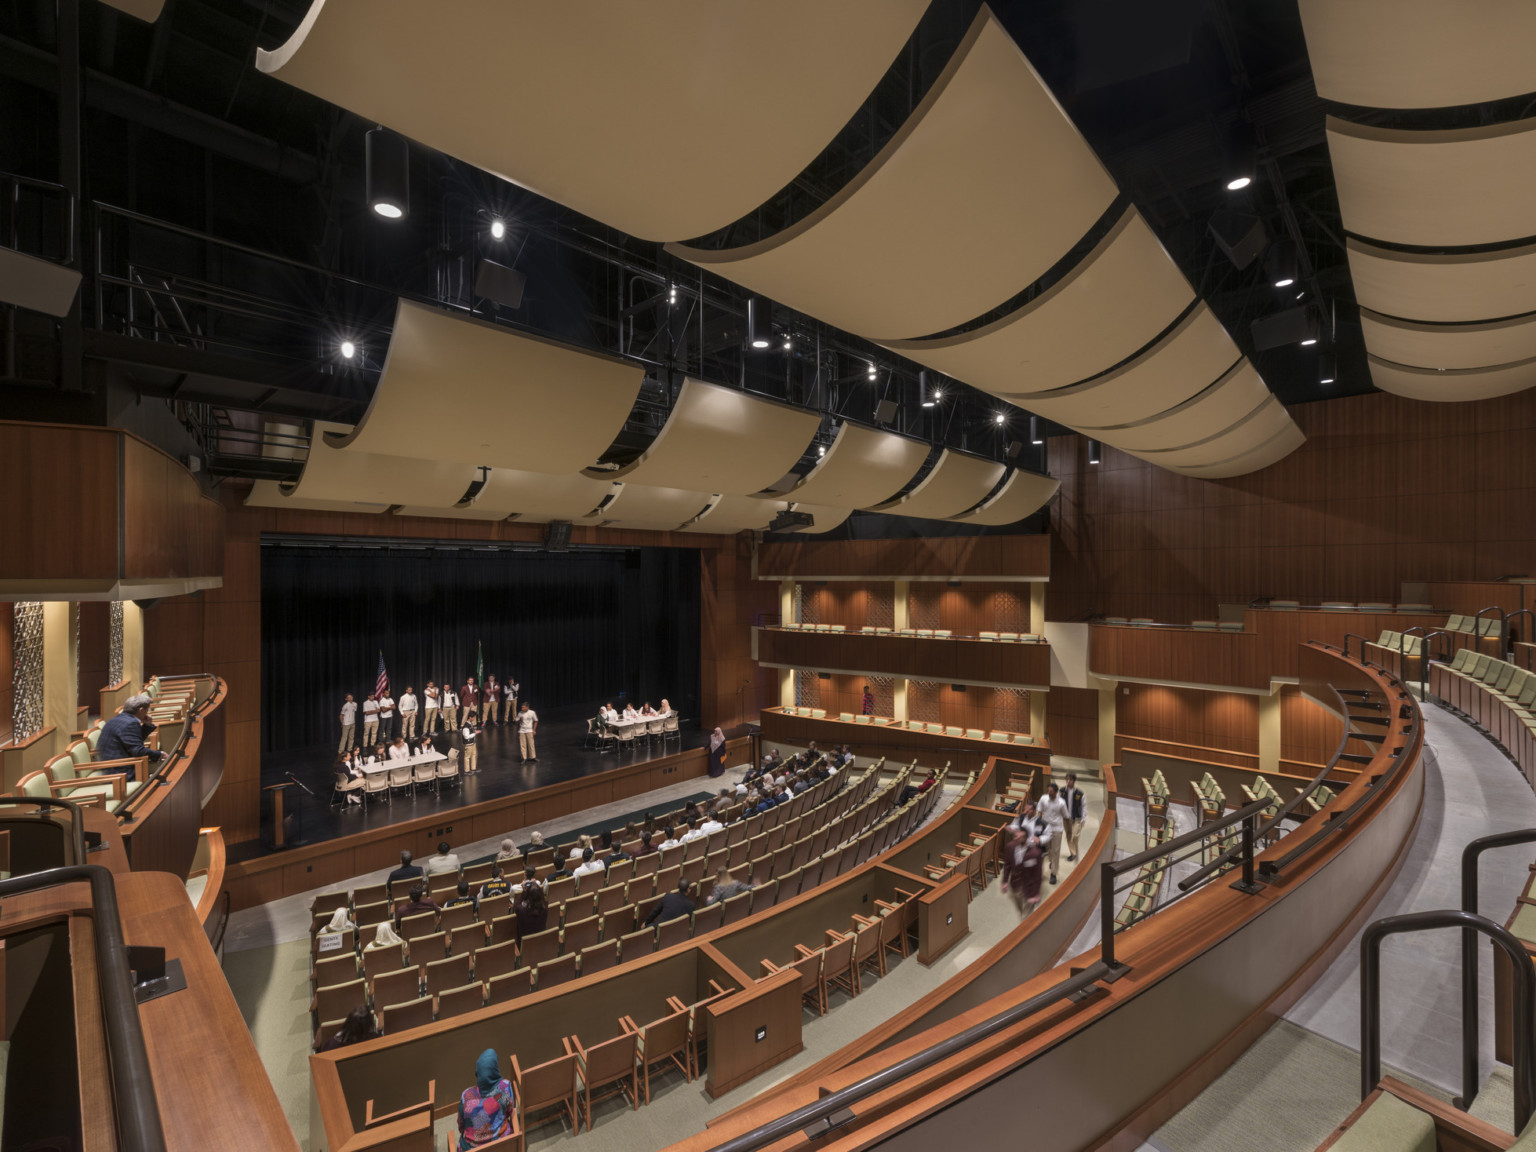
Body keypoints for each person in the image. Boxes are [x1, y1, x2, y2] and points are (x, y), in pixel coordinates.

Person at [456, 1048, 516, 1149]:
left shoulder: (466, 1097)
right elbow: (509, 1112)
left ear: (477, 1073)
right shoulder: (505, 1087)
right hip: (502, 1146)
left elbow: (461, 1126)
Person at [97, 695, 166, 777]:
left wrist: (147, 725)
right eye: (147, 710)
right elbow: (138, 751)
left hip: (111, 764)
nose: (147, 713)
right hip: (120, 770)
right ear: (141, 710)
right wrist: (160, 754)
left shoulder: (119, 719)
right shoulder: (131, 723)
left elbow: (133, 742)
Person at [1001, 827, 1043, 916]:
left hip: (1029, 887)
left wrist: (1036, 893)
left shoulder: (1035, 853)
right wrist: (1004, 881)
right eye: (1015, 836)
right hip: (1015, 885)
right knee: (1020, 912)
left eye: (1019, 837)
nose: (1016, 838)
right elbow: (1007, 865)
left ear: (1025, 838)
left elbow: (1037, 874)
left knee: (1026, 916)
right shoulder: (1010, 847)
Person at [1037, 781, 1069, 885]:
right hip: (1046, 828)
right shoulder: (1043, 798)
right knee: (1049, 850)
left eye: (1051, 791)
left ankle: (1053, 874)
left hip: (1057, 829)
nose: (1049, 793)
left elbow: (1066, 816)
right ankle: (1052, 862)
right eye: (1048, 791)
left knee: (1056, 851)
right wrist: (1038, 827)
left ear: (1056, 792)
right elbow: (1039, 812)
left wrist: (1068, 830)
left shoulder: (1061, 803)